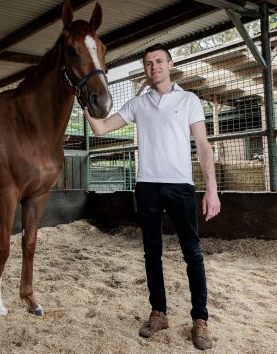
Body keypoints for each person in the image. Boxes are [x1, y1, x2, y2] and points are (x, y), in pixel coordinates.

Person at [84, 44, 221, 350]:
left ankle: (200, 320)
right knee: (151, 253)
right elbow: (103, 129)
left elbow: (203, 146)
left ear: (170, 64)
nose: (154, 67)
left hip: (180, 186)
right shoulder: (138, 104)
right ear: (145, 69)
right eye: (148, 63)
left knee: (193, 254)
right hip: (147, 186)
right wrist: (85, 106)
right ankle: (159, 313)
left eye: (159, 61)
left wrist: (211, 189)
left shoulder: (189, 100)